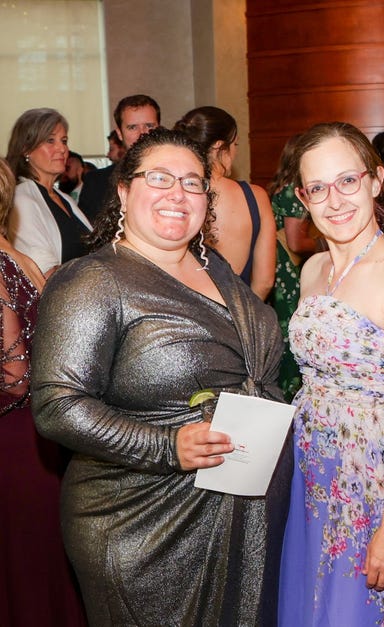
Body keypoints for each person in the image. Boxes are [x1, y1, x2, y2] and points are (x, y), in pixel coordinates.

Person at [31, 128, 291, 626]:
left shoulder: (215, 269)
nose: (178, 193)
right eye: (160, 178)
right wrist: (167, 446)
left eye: (193, 183)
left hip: (240, 510)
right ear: (124, 191)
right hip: (140, 523)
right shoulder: (92, 280)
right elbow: (57, 405)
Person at [278, 122, 384, 625]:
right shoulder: (312, 270)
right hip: (311, 475)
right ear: (303, 198)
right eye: (318, 188)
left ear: (375, 180)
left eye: (347, 181)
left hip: (373, 485)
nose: (334, 200)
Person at [0, 158, 87, 627]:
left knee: (22, 573)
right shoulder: (21, 257)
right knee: (43, 569)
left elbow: (13, 374)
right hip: (40, 437)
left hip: (10, 440)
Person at [174, 106, 276, 300]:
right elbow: (265, 281)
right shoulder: (256, 196)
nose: (235, 153)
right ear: (219, 147)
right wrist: (242, 319)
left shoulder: (175, 194)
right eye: (234, 144)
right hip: (241, 316)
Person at [6, 108, 93, 277]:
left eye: (64, 140)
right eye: (50, 140)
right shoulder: (22, 198)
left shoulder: (65, 199)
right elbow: (43, 272)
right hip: (61, 299)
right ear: (26, 149)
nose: (62, 149)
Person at [267, 133, 320, 401]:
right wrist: (326, 244)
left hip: (280, 266)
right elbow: (296, 242)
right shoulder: (292, 191)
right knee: (291, 332)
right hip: (287, 269)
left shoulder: (282, 186)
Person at [78, 94, 160, 223]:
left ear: (159, 129)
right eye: (133, 127)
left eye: (149, 126)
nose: (142, 133)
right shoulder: (96, 183)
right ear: (120, 134)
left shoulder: (179, 177)